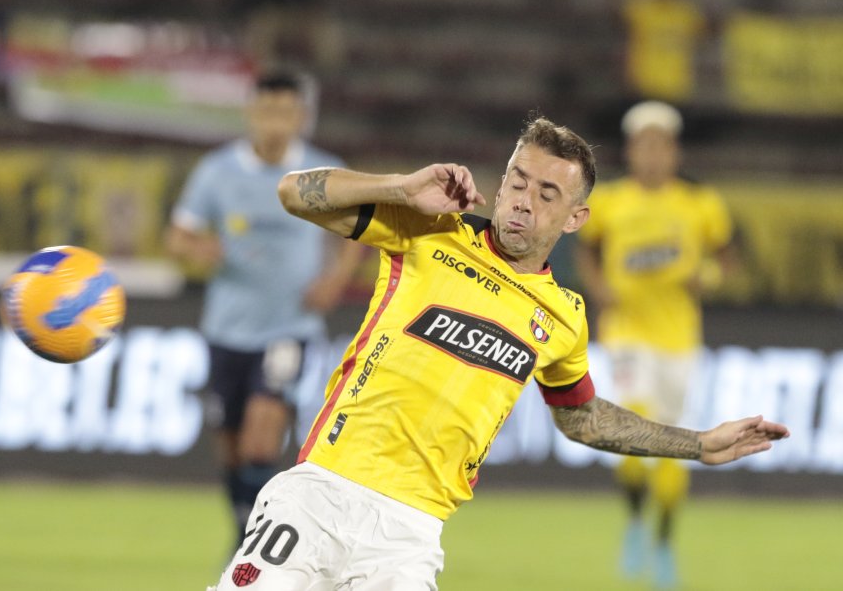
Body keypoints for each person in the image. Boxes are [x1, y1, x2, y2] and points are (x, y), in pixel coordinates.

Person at [209, 116, 787, 590]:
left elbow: (581, 418)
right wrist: (400, 187)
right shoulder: (433, 229)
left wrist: (698, 443)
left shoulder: (563, 316)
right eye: (516, 180)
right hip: (322, 492)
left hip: (410, 535)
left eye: (547, 192)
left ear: (576, 217)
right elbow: (293, 193)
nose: (522, 201)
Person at [166, 71, 364, 550]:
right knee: (231, 444)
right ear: (251, 113)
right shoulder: (217, 171)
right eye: (267, 110)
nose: (276, 122)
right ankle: (244, 530)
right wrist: (198, 251)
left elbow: (358, 235)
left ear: (301, 117)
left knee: (260, 437)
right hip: (226, 327)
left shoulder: (322, 174)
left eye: (286, 112)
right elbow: (178, 236)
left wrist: (335, 281)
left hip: (288, 327)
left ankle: (258, 546)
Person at [574, 101, 735, 589]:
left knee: (673, 441)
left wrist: (706, 275)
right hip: (627, 333)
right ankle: (635, 524)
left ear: (673, 151)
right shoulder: (610, 201)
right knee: (632, 420)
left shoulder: (699, 204)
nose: (651, 155)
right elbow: (585, 251)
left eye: (660, 145)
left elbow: (726, 259)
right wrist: (598, 287)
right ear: (630, 150)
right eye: (643, 145)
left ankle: (662, 541)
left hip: (679, 338)